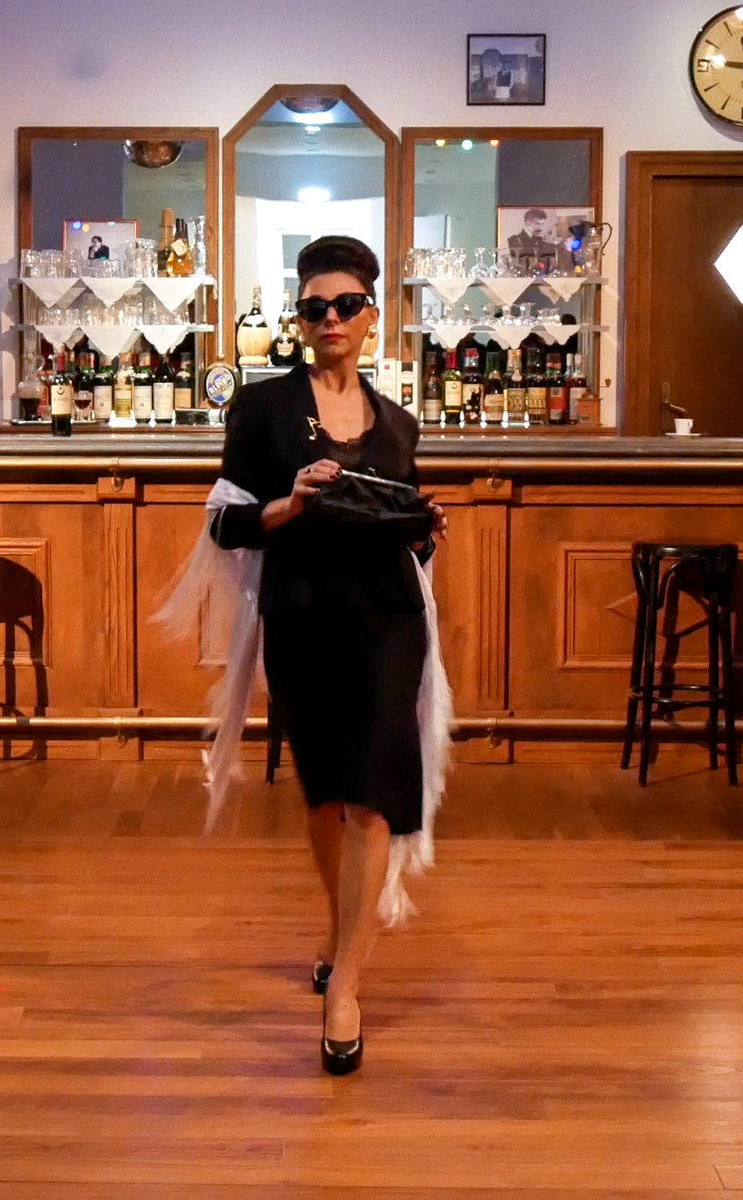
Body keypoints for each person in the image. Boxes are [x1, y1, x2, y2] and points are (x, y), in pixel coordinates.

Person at [208, 236, 448, 1075]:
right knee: (324, 794)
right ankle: (341, 931)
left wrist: (422, 529)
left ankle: (346, 983)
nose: (331, 319)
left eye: (346, 305)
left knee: (371, 800)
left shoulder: (400, 425)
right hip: (303, 617)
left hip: (386, 621)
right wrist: (289, 504)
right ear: (300, 321)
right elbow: (225, 524)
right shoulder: (262, 410)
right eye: (315, 308)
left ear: (373, 316)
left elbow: (404, 532)